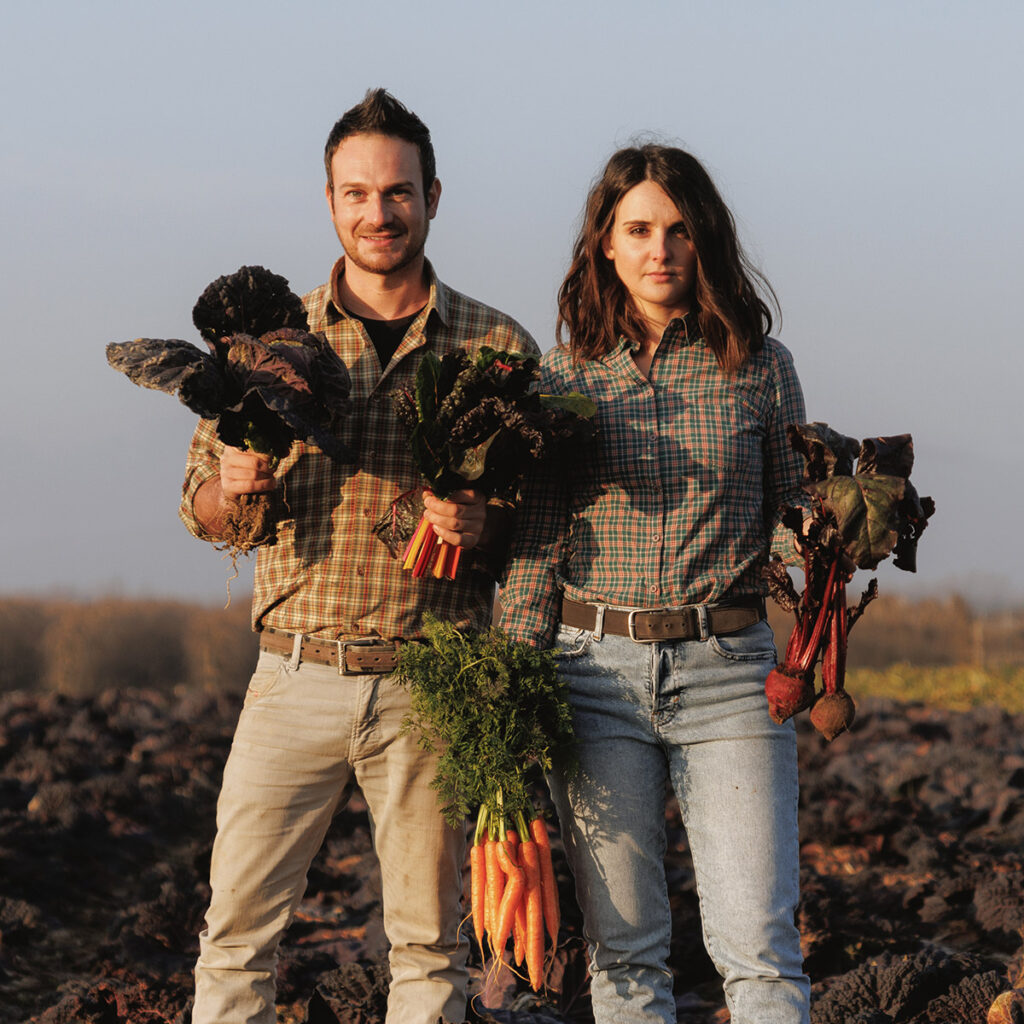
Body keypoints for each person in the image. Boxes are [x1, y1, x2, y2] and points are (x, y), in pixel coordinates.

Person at [179, 88, 538, 1024]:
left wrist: (483, 526)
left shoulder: (496, 345)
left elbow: (539, 526)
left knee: (429, 950)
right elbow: (200, 510)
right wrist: (236, 483)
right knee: (236, 941)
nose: (378, 212)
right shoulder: (264, 344)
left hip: (432, 681)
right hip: (294, 672)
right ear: (330, 201)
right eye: (357, 193)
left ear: (434, 196)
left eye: (399, 192)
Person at [499, 144, 812, 1023]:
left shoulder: (759, 367)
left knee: (760, 950)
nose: (659, 250)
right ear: (604, 242)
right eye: (637, 230)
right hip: (591, 676)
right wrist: (513, 684)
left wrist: (830, 530)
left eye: (678, 230)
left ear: (704, 239)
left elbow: (791, 518)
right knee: (627, 957)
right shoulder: (562, 378)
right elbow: (533, 547)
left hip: (731, 675)